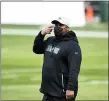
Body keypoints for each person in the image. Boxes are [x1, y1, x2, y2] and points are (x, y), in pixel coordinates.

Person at [33, 17, 82, 101]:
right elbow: (37, 49)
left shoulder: (73, 46)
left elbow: (74, 69)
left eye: (61, 25)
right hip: (48, 91)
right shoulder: (50, 40)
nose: (57, 27)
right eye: (56, 24)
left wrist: (71, 88)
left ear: (67, 27)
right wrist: (42, 34)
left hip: (62, 93)